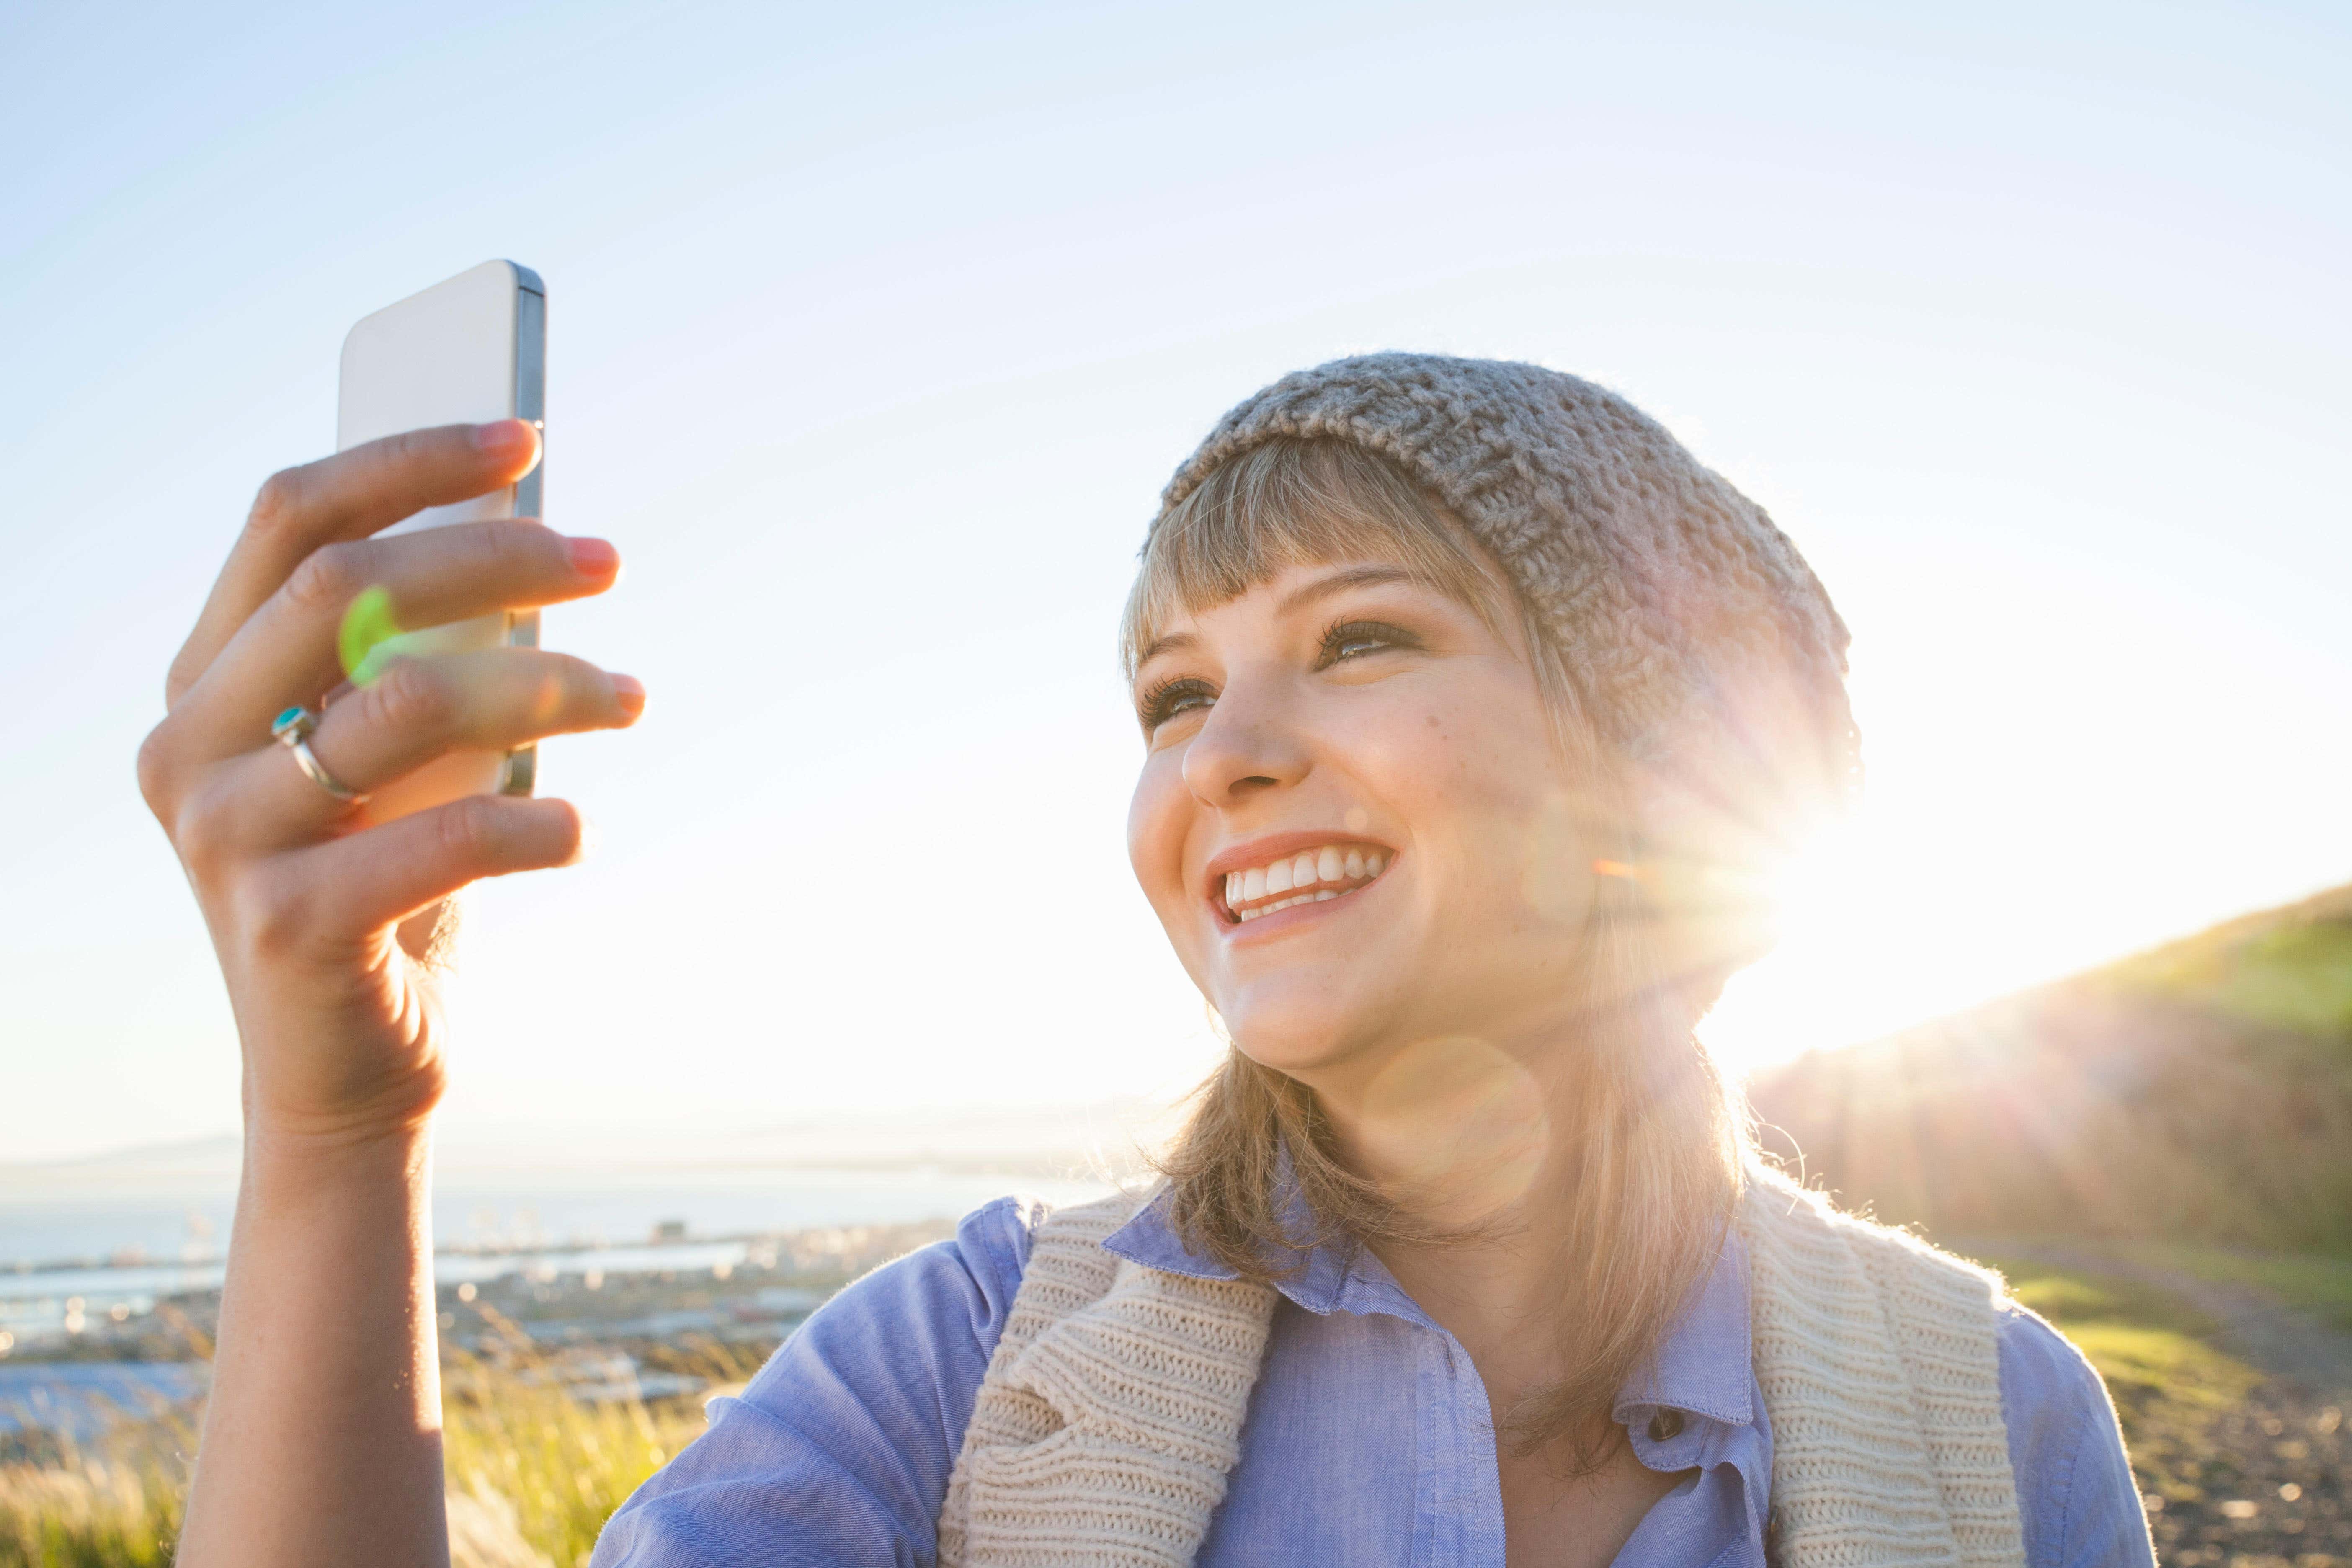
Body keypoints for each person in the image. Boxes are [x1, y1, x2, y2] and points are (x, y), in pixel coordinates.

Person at [141, 355, 2156, 1568]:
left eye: (1361, 638)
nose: (1225, 756)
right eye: (1170, 693)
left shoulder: (1994, 1427)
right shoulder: (967, 1373)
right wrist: (339, 1128)